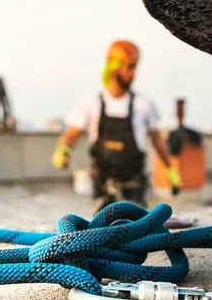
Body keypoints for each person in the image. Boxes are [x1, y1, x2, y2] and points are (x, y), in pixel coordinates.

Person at [52, 40, 181, 213]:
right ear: (114, 67)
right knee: (101, 229)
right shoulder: (91, 103)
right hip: (102, 187)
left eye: (136, 67)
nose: (134, 73)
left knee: (136, 230)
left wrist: (170, 169)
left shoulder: (143, 104)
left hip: (134, 188)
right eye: (130, 67)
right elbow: (73, 132)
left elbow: (157, 138)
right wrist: (64, 148)